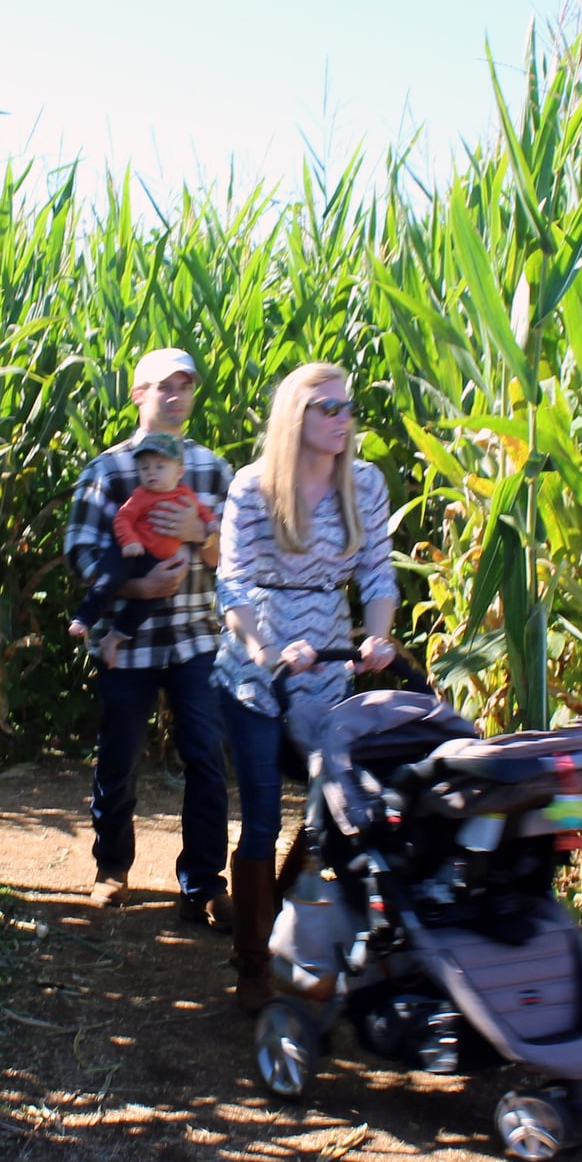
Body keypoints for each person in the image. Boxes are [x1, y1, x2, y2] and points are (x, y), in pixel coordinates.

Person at [212, 361, 397, 1011]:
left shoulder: (364, 485)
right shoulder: (254, 488)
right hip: (259, 663)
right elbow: (231, 584)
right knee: (262, 809)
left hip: (330, 657)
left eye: (348, 407)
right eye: (329, 408)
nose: (344, 419)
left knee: (330, 806)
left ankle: (292, 922)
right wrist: (264, 649)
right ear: (296, 416)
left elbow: (376, 574)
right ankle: (253, 961)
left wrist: (376, 638)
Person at [64, 348, 233, 927]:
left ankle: (205, 884)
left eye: (186, 386)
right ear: (138, 394)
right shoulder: (107, 472)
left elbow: (234, 558)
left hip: (195, 637)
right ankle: (112, 869)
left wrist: (200, 534)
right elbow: (83, 553)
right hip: (127, 639)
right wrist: (136, 590)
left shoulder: (212, 470)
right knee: (119, 757)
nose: (176, 396)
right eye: (165, 386)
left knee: (207, 758)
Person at [70, 432, 219, 668]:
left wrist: (209, 525)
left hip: (155, 560)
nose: (151, 473)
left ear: (179, 472)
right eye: (144, 468)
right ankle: (84, 618)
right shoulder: (140, 496)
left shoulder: (185, 494)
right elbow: (122, 519)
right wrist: (129, 541)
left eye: (159, 467)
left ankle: (114, 639)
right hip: (129, 551)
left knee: (147, 604)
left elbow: (202, 512)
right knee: (109, 578)